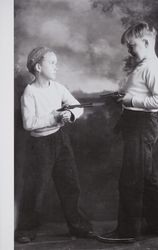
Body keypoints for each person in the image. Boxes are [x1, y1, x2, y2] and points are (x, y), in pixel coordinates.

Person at [98, 22, 158, 243]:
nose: (129, 50)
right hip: (135, 124)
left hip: (142, 125)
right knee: (145, 177)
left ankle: (127, 232)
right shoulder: (143, 65)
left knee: (131, 179)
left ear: (146, 42)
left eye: (132, 46)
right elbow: (137, 92)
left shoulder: (152, 67)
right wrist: (123, 94)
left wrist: (129, 99)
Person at [15, 47, 93, 243]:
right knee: (36, 188)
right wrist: (55, 117)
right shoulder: (29, 92)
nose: (56, 67)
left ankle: (78, 226)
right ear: (38, 67)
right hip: (39, 146)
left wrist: (70, 114)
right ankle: (25, 230)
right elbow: (28, 124)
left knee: (70, 185)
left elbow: (78, 107)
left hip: (60, 141)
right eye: (52, 63)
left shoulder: (58, 87)